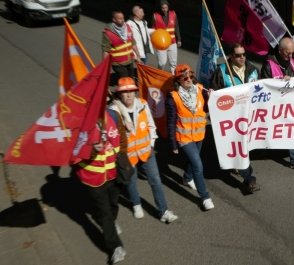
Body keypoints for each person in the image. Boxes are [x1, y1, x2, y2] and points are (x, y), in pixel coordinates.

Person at [109, 77, 178, 223]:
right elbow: (111, 137)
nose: (129, 95)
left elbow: (151, 127)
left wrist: (151, 144)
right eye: (125, 92)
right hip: (127, 155)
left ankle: (163, 211)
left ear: (135, 92)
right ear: (119, 94)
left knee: (156, 181)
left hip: (147, 151)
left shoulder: (143, 105)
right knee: (131, 182)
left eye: (131, 91)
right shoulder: (113, 111)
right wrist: (124, 130)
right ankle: (136, 204)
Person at [74, 108, 127, 264]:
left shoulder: (113, 115)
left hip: (113, 173)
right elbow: (75, 148)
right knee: (104, 212)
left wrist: (123, 161)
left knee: (113, 204)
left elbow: (122, 140)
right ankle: (115, 247)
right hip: (93, 178)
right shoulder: (79, 121)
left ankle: (111, 221)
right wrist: (91, 150)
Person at [210, 43, 261, 193]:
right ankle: (249, 180)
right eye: (238, 55)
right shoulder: (222, 71)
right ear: (231, 56)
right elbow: (215, 94)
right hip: (231, 118)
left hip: (248, 115)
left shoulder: (252, 69)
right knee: (239, 147)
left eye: (244, 54)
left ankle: (237, 165)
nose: (242, 57)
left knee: (243, 145)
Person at [166, 64, 215, 210]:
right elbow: (170, 122)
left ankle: (187, 178)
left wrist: (210, 97)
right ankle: (205, 197)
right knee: (198, 165)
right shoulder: (172, 97)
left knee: (192, 160)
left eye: (191, 76)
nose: (188, 79)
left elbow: (205, 109)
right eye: (184, 77)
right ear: (178, 80)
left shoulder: (200, 89)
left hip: (199, 133)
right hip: (184, 137)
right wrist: (173, 144)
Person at [260, 37, 294, 173]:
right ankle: (264, 148)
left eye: (292, 53)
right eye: (288, 53)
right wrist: (281, 82)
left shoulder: (291, 61)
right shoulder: (268, 64)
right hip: (273, 106)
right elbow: (263, 86)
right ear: (280, 50)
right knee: (269, 129)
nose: (290, 56)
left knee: (293, 128)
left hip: (289, 105)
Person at [102, 11, 141, 85]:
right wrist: (106, 67)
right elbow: (105, 50)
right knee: (125, 81)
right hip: (118, 63)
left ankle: (127, 94)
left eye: (123, 18)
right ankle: (124, 95)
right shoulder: (108, 33)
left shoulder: (128, 28)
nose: (123, 20)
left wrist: (138, 56)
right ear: (114, 19)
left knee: (131, 80)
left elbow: (132, 43)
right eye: (120, 19)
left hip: (129, 60)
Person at [152, 0, 181, 74]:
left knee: (173, 63)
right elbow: (153, 31)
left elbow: (176, 27)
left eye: (166, 7)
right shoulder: (155, 16)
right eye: (163, 8)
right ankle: (159, 74)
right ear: (160, 8)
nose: (164, 9)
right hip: (161, 44)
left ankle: (174, 80)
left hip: (172, 42)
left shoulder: (173, 14)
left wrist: (179, 39)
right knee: (162, 63)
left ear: (168, 7)